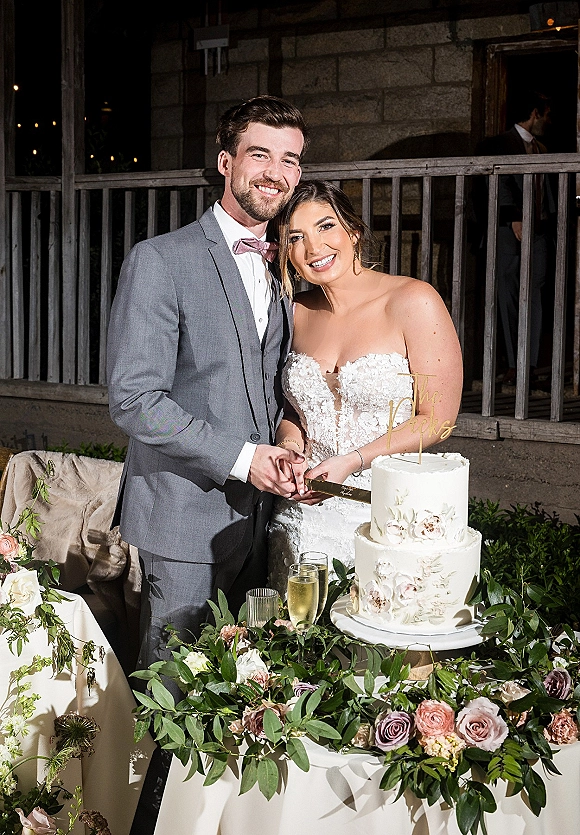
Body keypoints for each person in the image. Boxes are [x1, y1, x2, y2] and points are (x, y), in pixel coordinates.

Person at [107, 95, 308, 834]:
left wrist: (286, 430)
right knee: (171, 704)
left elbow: (269, 376)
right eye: (261, 153)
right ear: (226, 162)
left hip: (258, 524)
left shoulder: (282, 266)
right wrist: (241, 456)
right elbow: (133, 399)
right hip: (184, 520)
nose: (276, 172)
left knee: (236, 704)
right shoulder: (162, 259)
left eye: (290, 159)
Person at [268, 181, 463, 593]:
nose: (314, 248)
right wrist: (290, 449)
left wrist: (353, 461)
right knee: (298, 646)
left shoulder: (414, 301)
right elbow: (294, 411)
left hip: (387, 507)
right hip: (304, 512)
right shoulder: (295, 313)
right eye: (295, 237)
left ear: (353, 231)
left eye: (325, 227)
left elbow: (439, 420)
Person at [486, 90, 555, 387]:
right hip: (507, 231)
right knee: (508, 295)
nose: (548, 121)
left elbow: (547, 190)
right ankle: (514, 363)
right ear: (535, 114)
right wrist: (513, 216)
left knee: (534, 296)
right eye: (546, 115)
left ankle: (530, 364)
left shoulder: (540, 148)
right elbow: (495, 182)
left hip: (538, 231)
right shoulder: (499, 144)